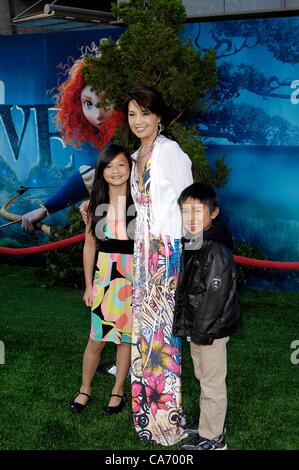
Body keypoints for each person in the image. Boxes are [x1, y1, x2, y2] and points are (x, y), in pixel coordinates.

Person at [123, 85, 194, 446]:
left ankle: (168, 417)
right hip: (144, 252)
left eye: (145, 114)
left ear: (159, 117)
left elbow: (189, 203)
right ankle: (147, 414)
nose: (138, 121)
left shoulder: (170, 152)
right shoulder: (136, 155)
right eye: (132, 114)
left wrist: (186, 255)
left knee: (164, 336)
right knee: (146, 332)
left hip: (166, 252)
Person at [173, 182, 242, 450]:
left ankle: (214, 439)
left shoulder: (216, 248)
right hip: (198, 327)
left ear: (213, 213)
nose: (190, 218)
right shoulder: (197, 242)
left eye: (197, 211)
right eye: (185, 211)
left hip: (210, 330)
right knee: (204, 378)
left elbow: (215, 295)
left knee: (212, 383)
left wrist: (201, 330)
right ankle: (207, 427)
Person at [21, 59, 124, 232]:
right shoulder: (113, 139)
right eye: (89, 104)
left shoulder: (126, 137)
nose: (98, 114)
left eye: (108, 101)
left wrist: (45, 209)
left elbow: (92, 171)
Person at [70, 143, 135, 415]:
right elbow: (89, 246)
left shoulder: (141, 203)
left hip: (135, 278)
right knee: (96, 339)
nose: (116, 171)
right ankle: (85, 388)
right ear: (102, 171)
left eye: (121, 164)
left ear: (131, 168)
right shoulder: (96, 205)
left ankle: (118, 391)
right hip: (105, 277)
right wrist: (88, 285)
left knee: (125, 339)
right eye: (109, 166)